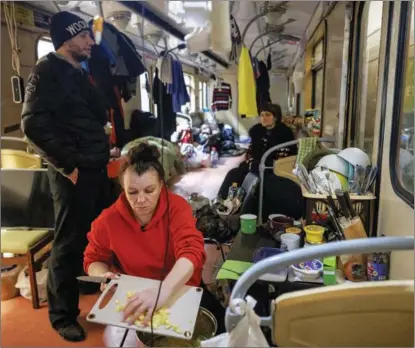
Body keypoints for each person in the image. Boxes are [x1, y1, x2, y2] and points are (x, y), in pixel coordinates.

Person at [21, 11, 110, 342]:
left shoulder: (78, 71)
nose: (90, 41)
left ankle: (84, 288)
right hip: (73, 173)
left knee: (96, 235)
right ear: (67, 39)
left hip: (93, 167)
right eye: (84, 36)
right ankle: (62, 316)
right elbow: (32, 126)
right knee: (69, 243)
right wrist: (69, 166)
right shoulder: (46, 72)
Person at [83, 143, 225, 332]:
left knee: (221, 328)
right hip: (136, 294)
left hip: (180, 286)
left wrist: (163, 290)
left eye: (149, 190)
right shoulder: (108, 220)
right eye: (132, 192)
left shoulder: (177, 208)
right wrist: (102, 275)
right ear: (122, 189)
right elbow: (94, 258)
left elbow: (191, 251)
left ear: (162, 186)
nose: (141, 200)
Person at [217, 103, 303, 219]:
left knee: (261, 183)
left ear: (276, 117)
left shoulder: (284, 133)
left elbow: (284, 156)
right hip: (256, 163)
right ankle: (224, 203)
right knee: (234, 173)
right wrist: (251, 160)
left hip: (274, 167)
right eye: (261, 115)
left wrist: (262, 163)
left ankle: (250, 212)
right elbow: (252, 151)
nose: (263, 118)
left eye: (267, 115)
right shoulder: (256, 131)